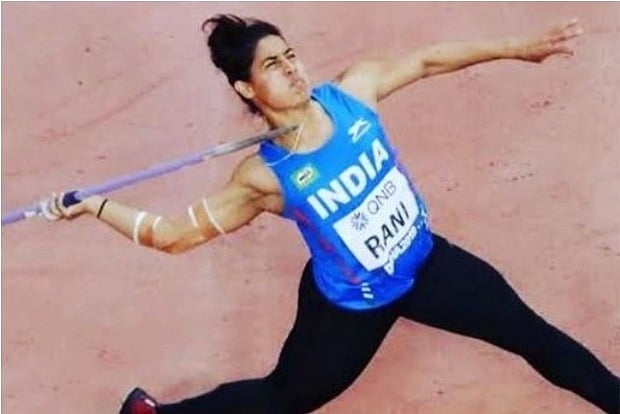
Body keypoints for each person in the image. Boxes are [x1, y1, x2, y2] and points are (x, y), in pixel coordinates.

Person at [45, 14, 618, 414]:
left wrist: (516, 47)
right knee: (283, 399)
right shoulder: (265, 178)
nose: (293, 69)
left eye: (291, 55)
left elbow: (427, 61)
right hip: (350, 304)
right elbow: (173, 236)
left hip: (424, 265)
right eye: (273, 65)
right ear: (247, 88)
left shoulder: (354, 94)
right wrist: (96, 206)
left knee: (533, 335)